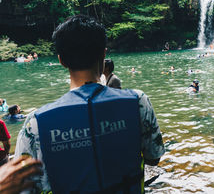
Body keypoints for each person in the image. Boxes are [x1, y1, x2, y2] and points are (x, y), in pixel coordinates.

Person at [15, 16, 165, 193]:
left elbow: (22, 188)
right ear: (103, 53)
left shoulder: (35, 124)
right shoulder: (138, 102)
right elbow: (154, 157)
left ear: (61, 60)